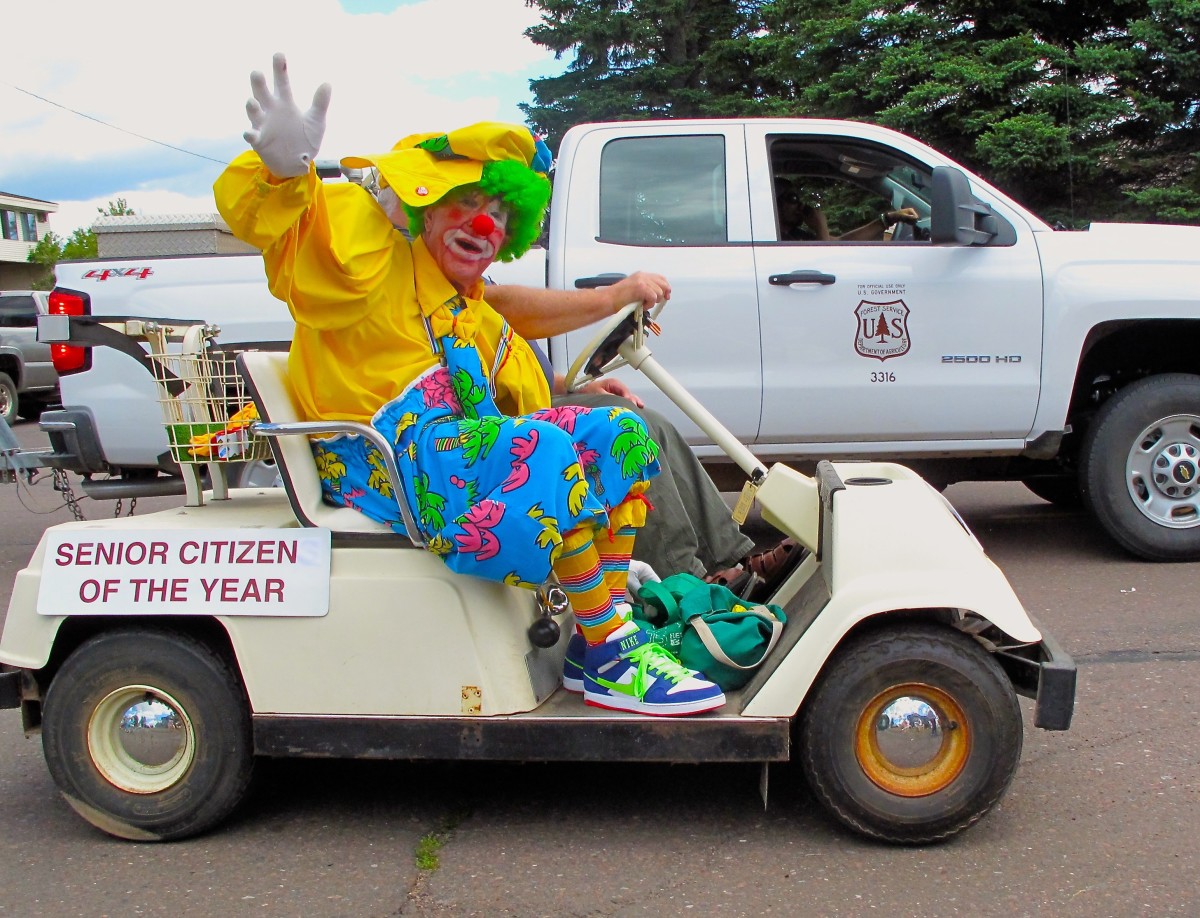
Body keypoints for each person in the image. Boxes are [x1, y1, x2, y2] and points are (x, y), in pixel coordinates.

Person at [214, 53, 725, 717]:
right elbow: (303, 240)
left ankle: (603, 636)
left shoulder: (461, 299)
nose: (485, 226)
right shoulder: (370, 266)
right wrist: (287, 177)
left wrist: (587, 383)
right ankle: (612, 649)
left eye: (496, 213)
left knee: (621, 433)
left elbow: (509, 321)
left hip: (451, 452)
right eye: (463, 203)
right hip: (383, 461)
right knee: (537, 451)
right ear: (420, 208)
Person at [776, 181, 919, 242]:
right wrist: (820, 226)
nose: (801, 205)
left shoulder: (795, 235)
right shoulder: (777, 239)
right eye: (792, 198)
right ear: (775, 203)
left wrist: (888, 219)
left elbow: (841, 242)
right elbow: (827, 259)